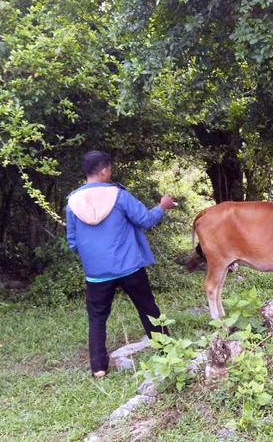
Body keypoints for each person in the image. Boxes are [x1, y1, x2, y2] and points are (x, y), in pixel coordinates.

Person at [66, 151, 177, 377]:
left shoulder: (72, 201)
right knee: (148, 308)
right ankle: (168, 351)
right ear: (105, 170)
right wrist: (162, 206)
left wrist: (93, 256)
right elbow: (145, 220)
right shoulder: (118, 195)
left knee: (97, 318)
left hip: (96, 273)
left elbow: (73, 241)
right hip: (129, 268)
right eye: (110, 169)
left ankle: (98, 368)